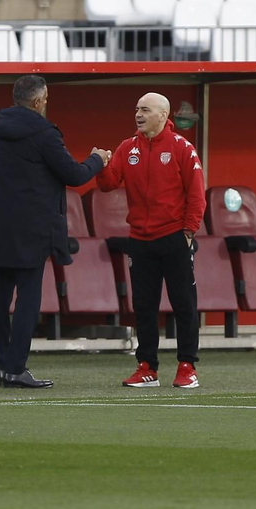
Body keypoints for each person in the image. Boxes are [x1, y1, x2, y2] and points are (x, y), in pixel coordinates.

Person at [0, 75, 109, 388]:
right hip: (32, 227)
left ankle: (0, 369)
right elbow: (73, 174)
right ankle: (17, 367)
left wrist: (1, 189)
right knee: (28, 299)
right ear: (39, 101)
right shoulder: (44, 133)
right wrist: (98, 159)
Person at [95, 92, 205, 389]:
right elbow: (107, 184)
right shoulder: (126, 148)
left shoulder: (182, 148)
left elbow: (196, 195)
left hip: (174, 238)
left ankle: (187, 366)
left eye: (145, 109)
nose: (138, 115)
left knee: (184, 303)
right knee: (144, 305)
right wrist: (101, 164)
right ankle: (147, 367)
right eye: (136, 109)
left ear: (162, 115)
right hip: (140, 239)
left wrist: (188, 233)